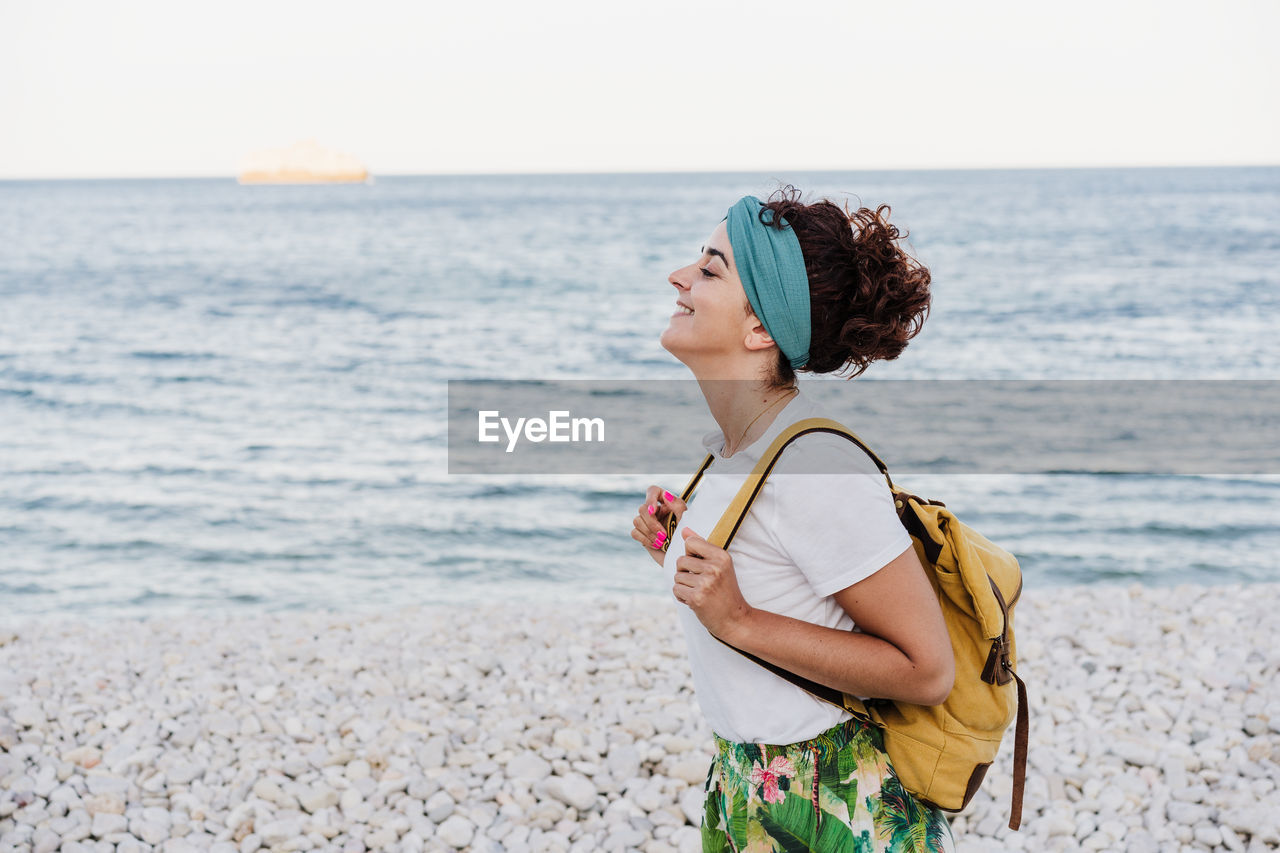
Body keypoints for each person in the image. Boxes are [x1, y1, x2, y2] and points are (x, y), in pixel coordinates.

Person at [631, 186, 957, 852]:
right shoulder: (734, 449)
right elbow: (773, 576)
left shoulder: (816, 463)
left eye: (711, 267)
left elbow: (928, 670)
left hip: (836, 804)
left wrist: (739, 618)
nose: (678, 276)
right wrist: (675, 549)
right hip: (744, 789)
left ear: (760, 329)